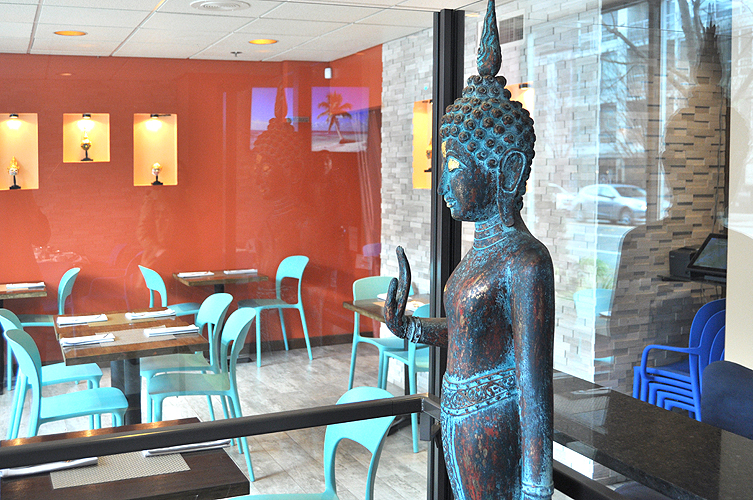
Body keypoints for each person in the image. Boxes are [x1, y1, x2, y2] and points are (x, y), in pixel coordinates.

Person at [384, 1, 554, 498]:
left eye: (455, 166)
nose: (444, 181)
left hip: (495, 424)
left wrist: (537, 484)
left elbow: (534, 384)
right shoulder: (478, 255)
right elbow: (468, 335)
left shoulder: (525, 262)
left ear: (508, 169)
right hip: (460, 416)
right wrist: (411, 328)